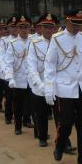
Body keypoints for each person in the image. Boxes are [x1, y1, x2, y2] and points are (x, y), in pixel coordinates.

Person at [45, 9, 82, 164]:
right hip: (65, 88)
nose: (77, 28)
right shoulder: (57, 39)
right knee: (66, 122)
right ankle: (60, 146)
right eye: (74, 24)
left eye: (79, 24)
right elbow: (50, 64)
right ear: (67, 22)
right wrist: (49, 88)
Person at [27, 14, 59, 147]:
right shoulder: (35, 43)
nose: (48, 30)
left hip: (56, 85)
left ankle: (63, 141)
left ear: (55, 28)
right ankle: (42, 136)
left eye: (51, 27)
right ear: (41, 27)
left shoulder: (59, 42)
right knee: (41, 114)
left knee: (60, 116)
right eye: (45, 27)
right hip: (39, 84)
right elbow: (31, 66)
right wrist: (40, 85)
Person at [6, 15, 32, 135]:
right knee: (18, 105)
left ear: (29, 28)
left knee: (31, 103)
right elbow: (9, 62)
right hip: (18, 78)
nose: (23, 30)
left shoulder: (34, 41)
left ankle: (27, 120)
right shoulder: (12, 43)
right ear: (17, 28)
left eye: (26, 27)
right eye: (21, 27)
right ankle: (18, 125)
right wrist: (10, 77)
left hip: (32, 79)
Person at [0, 16, 18, 125]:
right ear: (8, 28)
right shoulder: (4, 41)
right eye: (12, 27)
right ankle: (8, 116)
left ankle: (25, 119)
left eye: (16, 26)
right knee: (10, 97)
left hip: (22, 74)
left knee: (23, 99)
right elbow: (1, 57)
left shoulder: (25, 39)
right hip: (9, 73)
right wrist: (7, 72)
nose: (15, 29)